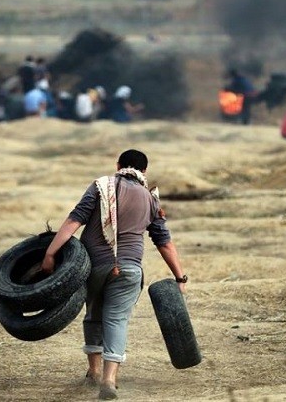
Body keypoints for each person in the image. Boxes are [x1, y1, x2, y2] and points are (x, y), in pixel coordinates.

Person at [41, 149, 187, 400]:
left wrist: (50, 253)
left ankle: (94, 372)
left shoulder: (101, 187)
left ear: (118, 165)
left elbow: (74, 220)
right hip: (130, 269)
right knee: (116, 319)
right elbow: (164, 242)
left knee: (94, 314)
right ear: (144, 172)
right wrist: (180, 277)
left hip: (95, 266)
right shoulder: (151, 199)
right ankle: (109, 380)